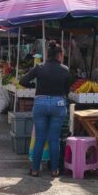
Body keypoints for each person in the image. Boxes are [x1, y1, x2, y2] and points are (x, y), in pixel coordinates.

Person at [20, 42, 72, 177]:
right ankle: (54, 170)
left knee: (40, 139)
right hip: (58, 103)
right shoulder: (65, 69)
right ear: (59, 55)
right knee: (54, 139)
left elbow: (23, 81)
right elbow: (67, 90)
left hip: (41, 103)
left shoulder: (39, 68)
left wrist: (33, 85)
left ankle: (35, 169)